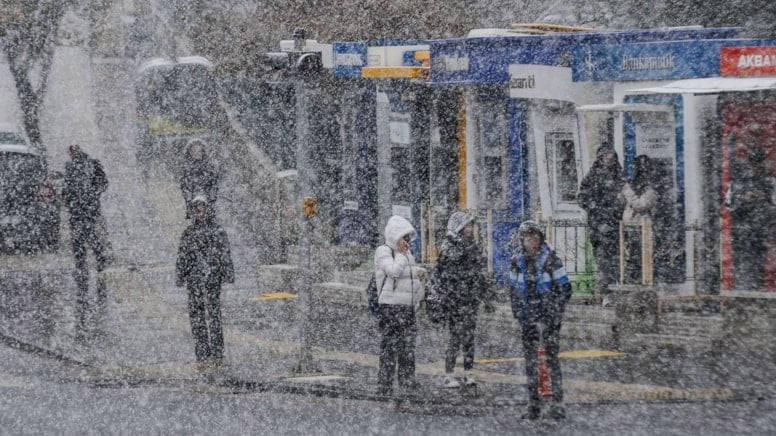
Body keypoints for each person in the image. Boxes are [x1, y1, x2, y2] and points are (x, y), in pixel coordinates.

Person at [509, 220, 572, 420]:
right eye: (528, 238)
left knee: (552, 361)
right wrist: (519, 313)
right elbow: (513, 290)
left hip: (549, 318)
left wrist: (554, 313)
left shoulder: (551, 260)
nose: (532, 242)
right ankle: (533, 405)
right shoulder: (517, 261)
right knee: (531, 363)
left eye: (535, 237)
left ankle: (558, 405)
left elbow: (565, 288)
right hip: (528, 318)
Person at [434, 212, 495, 388]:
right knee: (455, 338)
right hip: (455, 302)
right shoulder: (450, 248)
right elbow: (443, 276)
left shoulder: (473, 246)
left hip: (470, 301)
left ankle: (468, 372)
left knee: (469, 338)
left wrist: (486, 296)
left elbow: (478, 275)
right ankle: (449, 374)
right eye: (467, 226)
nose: (470, 229)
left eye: (471, 226)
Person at [176, 196, 234, 365]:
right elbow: (182, 257)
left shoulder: (217, 231)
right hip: (194, 279)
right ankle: (202, 348)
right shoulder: (188, 233)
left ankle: (216, 349)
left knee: (214, 314)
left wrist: (227, 272)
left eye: (203, 210)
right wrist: (180, 275)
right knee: (197, 314)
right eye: (197, 210)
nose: (201, 214)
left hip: (212, 278)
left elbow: (225, 253)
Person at [62, 144, 111, 337]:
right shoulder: (70, 167)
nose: (72, 155)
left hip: (88, 210)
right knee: (79, 240)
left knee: (90, 237)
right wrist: (68, 198)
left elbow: (103, 183)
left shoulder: (92, 164)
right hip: (77, 211)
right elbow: (67, 187)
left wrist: (92, 195)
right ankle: (83, 265)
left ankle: (98, 261)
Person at [374, 215, 426, 395]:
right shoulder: (384, 251)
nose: (407, 242)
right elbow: (394, 271)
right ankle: (385, 385)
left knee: (408, 348)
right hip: (391, 307)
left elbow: (405, 276)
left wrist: (417, 275)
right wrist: (403, 256)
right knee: (389, 348)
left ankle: (407, 382)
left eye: (408, 238)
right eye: (404, 238)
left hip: (407, 307)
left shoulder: (406, 254)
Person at [578, 145, 625, 306]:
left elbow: (624, 195)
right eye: (606, 157)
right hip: (599, 226)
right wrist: (596, 208)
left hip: (617, 225)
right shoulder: (592, 176)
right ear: (600, 158)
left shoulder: (619, 174)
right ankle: (607, 293)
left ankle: (618, 291)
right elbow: (582, 198)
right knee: (604, 260)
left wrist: (617, 208)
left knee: (618, 260)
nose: (609, 160)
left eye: (611, 157)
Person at [727, 138, 773, 290]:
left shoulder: (769, 181)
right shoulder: (739, 182)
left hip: (760, 233)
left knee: (758, 266)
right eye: (754, 163)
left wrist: (764, 200)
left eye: (758, 163)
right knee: (745, 267)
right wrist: (743, 199)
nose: (756, 167)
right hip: (745, 233)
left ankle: (755, 292)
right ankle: (746, 293)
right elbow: (729, 206)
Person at [621, 155, 659, 284]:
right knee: (630, 255)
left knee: (639, 256)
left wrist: (628, 193)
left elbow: (641, 205)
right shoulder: (634, 185)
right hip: (630, 225)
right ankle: (632, 280)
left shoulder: (649, 189)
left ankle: (638, 281)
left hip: (640, 226)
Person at [180, 139, 219, 219]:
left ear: (203, 152)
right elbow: (184, 186)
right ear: (190, 153)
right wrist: (189, 199)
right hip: (193, 197)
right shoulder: (187, 169)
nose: (196, 153)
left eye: (199, 151)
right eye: (194, 151)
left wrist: (210, 198)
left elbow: (214, 184)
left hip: (207, 198)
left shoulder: (209, 167)